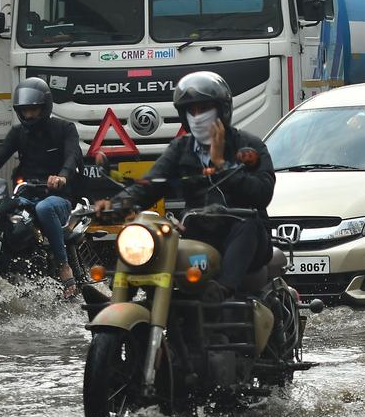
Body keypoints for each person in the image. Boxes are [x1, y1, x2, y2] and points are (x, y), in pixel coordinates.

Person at [94, 71, 274, 301]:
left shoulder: (248, 145)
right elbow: (150, 185)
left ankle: (222, 291)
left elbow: (263, 194)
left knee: (248, 224)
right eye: (192, 111)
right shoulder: (181, 148)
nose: (197, 116)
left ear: (222, 110)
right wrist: (115, 204)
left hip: (243, 237)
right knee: (152, 231)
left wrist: (221, 165)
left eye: (204, 109)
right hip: (198, 232)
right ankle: (122, 298)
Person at [0, 77, 82, 297]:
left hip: (57, 196)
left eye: (34, 110)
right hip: (26, 194)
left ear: (45, 107)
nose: (29, 115)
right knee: (1, 211)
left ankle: (62, 265)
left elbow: (72, 157)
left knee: (44, 209)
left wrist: (62, 177)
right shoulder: (18, 133)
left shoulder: (64, 129)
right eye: (25, 111)